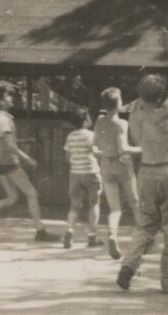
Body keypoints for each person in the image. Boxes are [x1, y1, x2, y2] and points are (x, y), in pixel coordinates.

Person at [116, 28, 168, 295]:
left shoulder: (134, 113)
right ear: (160, 96)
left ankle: (128, 265)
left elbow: (148, 136)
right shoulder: (165, 111)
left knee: (145, 225)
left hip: (145, 172)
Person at [0, 87, 58, 242]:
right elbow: (10, 146)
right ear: (0, 101)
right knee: (31, 193)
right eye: (7, 96)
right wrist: (27, 159)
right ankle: (40, 230)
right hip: (9, 162)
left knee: (12, 197)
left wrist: (24, 141)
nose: (11, 98)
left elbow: (3, 140)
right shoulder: (4, 120)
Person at [94, 87, 141, 259]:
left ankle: (113, 235)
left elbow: (95, 145)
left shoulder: (99, 120)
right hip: (122, 166)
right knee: (135, 203)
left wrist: (105, 155)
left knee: (115, 208)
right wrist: (144, 148)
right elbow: (123, 148)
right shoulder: (122, 123)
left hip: (106, 165)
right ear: (119, 103)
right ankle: (144, 239)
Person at [63, 107, 102, 249]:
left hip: (75, 174)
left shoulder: (70, 136)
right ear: (85, 121)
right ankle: (92, 237)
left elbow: (67, 158)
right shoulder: (91, 135)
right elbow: (96, 152)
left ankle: (69, 229)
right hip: (91, 173)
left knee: (74, 205)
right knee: (94, 204)